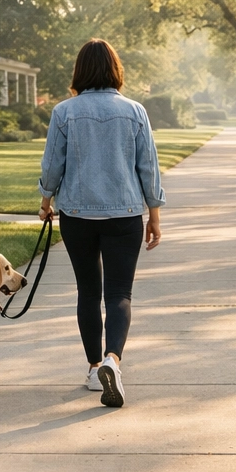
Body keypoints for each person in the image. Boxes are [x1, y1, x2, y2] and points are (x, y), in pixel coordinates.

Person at [38, 39, 165, 408]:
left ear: (80, 71)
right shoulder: (135, 111)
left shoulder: (65, 112)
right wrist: (154, 214)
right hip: (125, 215)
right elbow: (148, 166)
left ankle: (95, 368)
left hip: (77, 215)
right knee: (120, 294)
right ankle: (113, 359)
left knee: (89, 292)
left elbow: (53, 164)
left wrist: (46, 200)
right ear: (115, 70)